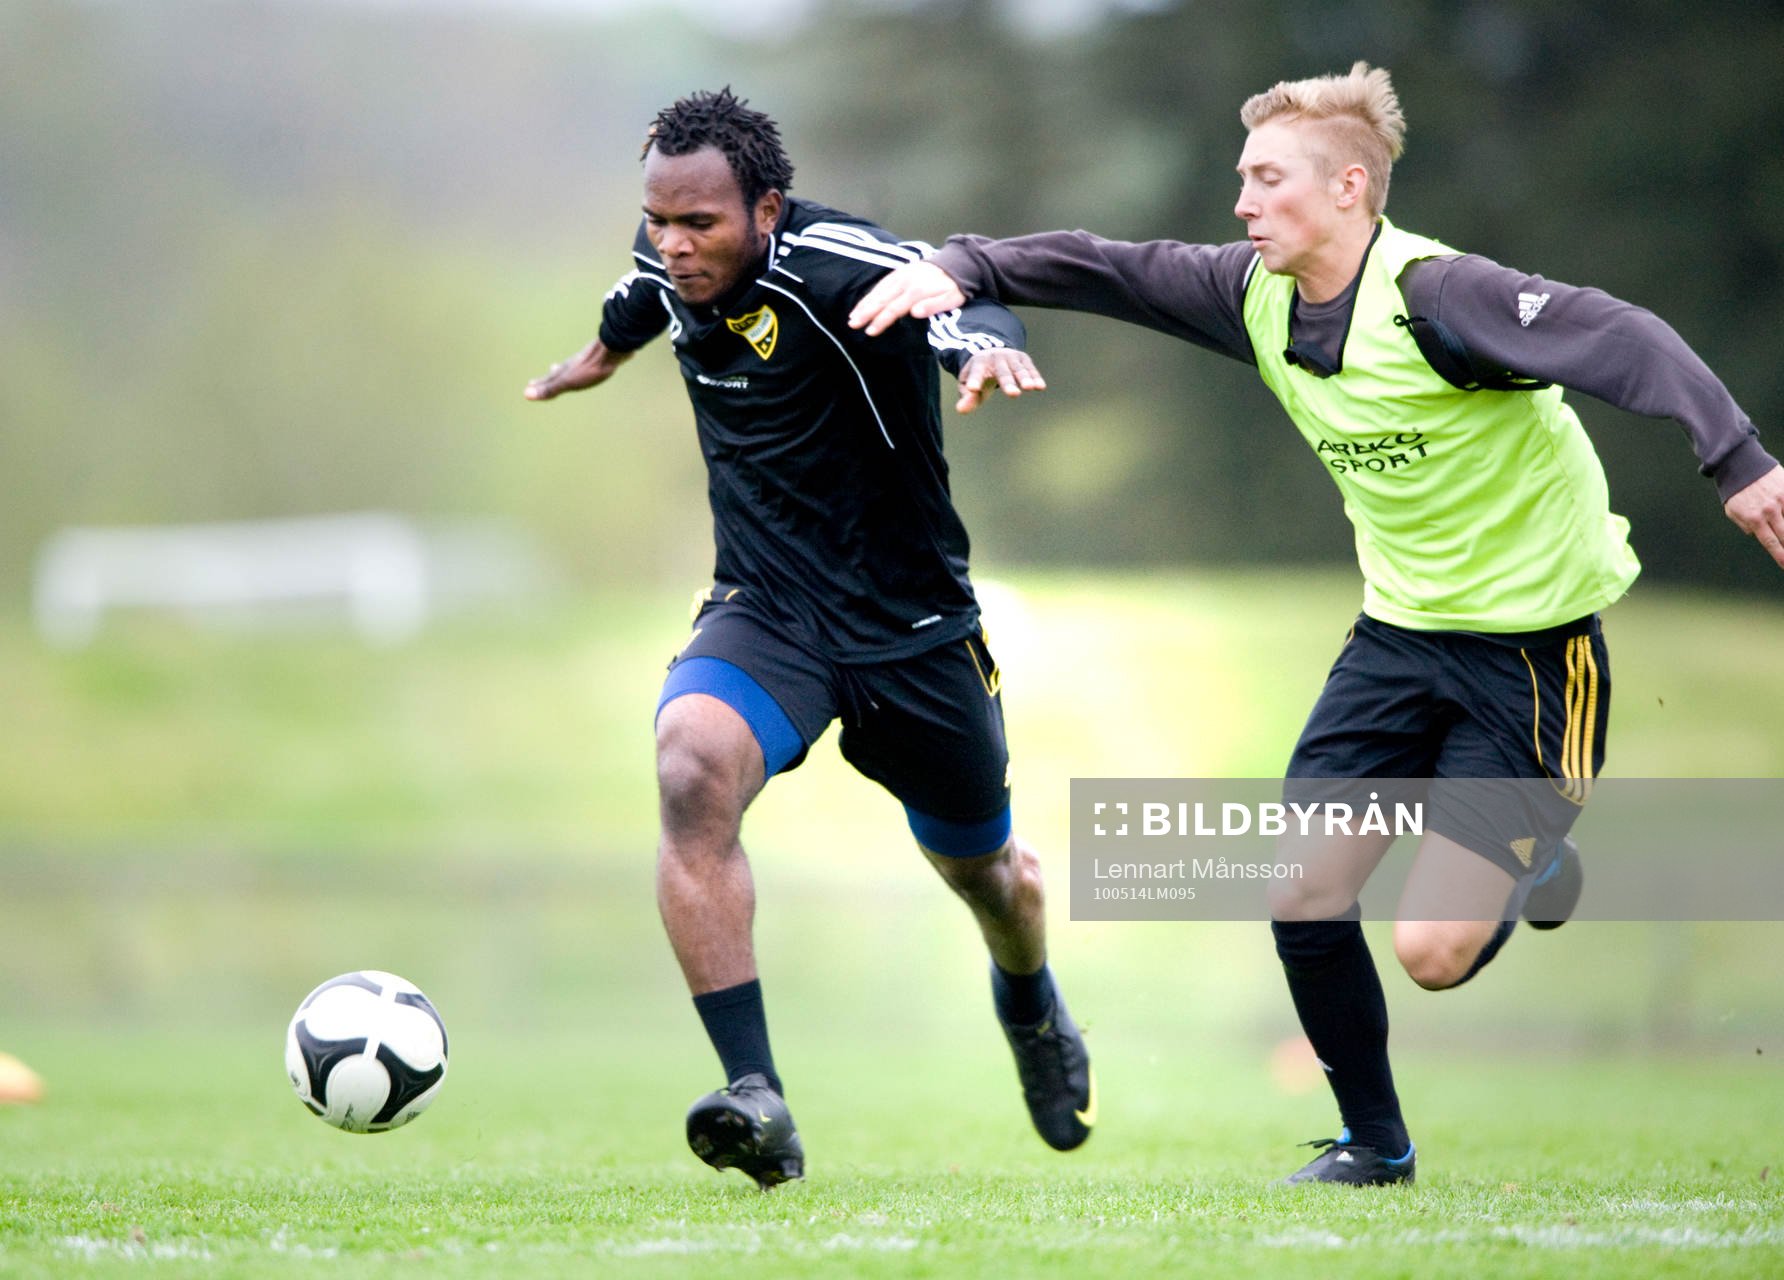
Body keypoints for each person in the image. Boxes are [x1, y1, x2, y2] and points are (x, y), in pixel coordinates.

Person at [850, 62, 1784, 1186]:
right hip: (1395, 638)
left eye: (1265, 179)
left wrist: (1735, 463)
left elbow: (1624, 337)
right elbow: (1096, 266)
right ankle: (1373, 1144)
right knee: (1299, 884)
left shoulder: (1441, 298)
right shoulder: (1248, 291)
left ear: (1349, 187)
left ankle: (1537, 863)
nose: (1241, 203)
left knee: (1431, 954)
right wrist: (958, 264)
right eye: (1241, 178)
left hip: (1532, 653)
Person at [524, 89, 1093, 1190]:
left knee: (989, 876)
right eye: (659, 220)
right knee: (689, 760)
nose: (674, 246)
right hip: (768, 610)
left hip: (913, 629)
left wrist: (981, 347)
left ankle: (1028, 1003)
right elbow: (636, 295)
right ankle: (756, 1094)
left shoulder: (840, 264)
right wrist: (597, 353)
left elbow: (952, 297)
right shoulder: (667, 265)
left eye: (700, 225)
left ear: (767, 209)